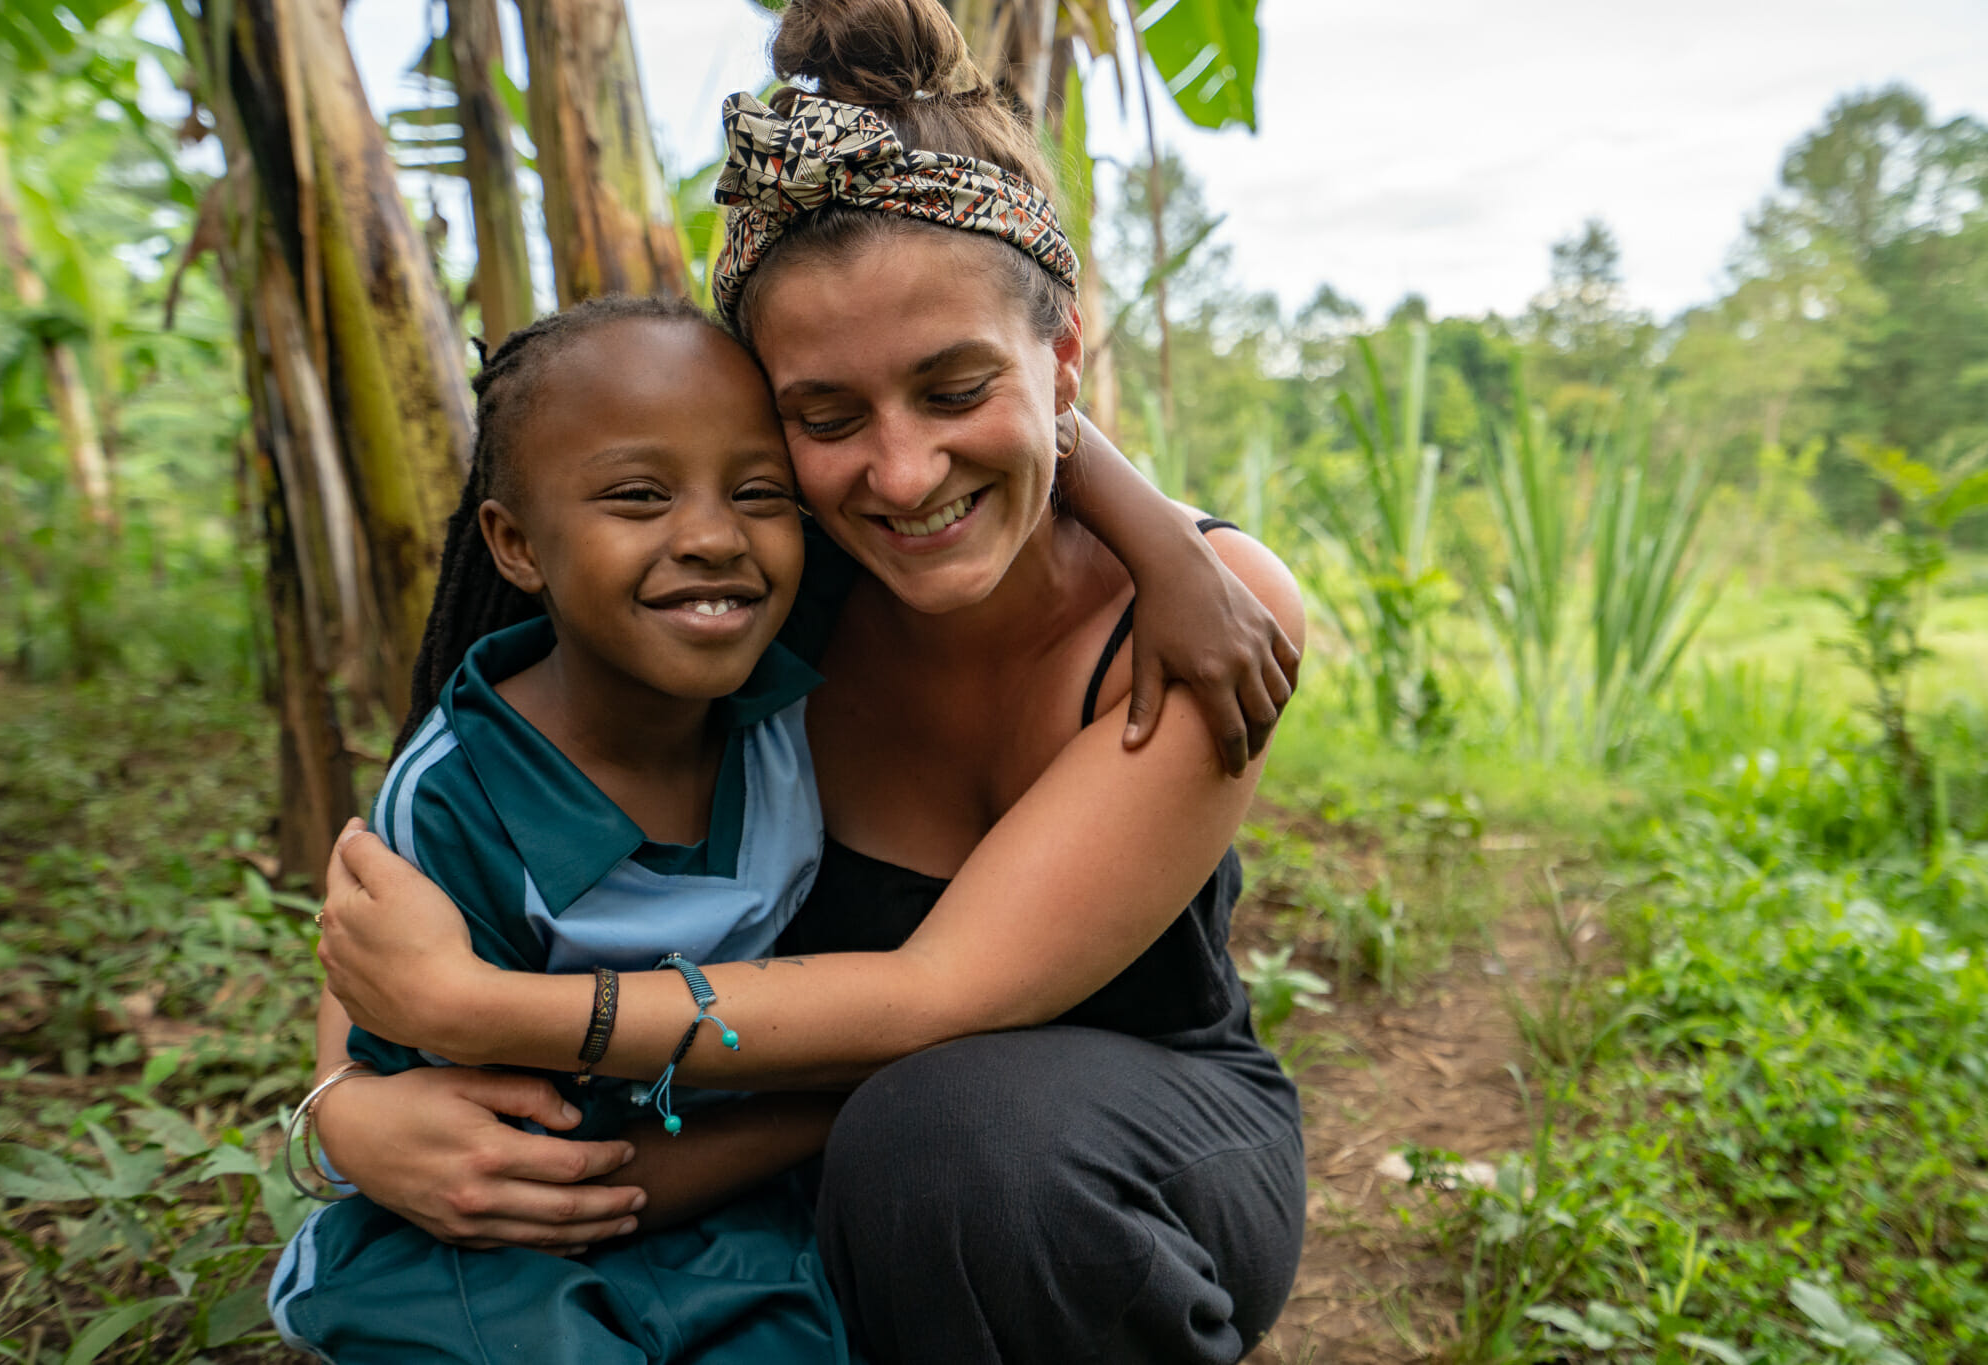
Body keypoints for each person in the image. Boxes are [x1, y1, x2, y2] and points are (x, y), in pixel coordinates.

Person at [312, 1, 1309, 1361]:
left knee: (954, 1148)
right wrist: (344, 1105)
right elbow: (444, 804)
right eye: (826, 418)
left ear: (1063, 358)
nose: (900, 476)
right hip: (791, 1153)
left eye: (956, 389)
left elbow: (934, 1002)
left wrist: (484, 1012)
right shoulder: (765, 580)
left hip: (1112, 1152)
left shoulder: (1194, 618)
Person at [270, 293, 865, 1360]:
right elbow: (475, 1155)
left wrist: (1179, 555)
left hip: (733, 1204)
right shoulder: (458, 802)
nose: (713, 537)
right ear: (514, 543)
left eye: (758, 492)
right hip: (505, 1233)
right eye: (637, 495)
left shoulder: (794, 707)